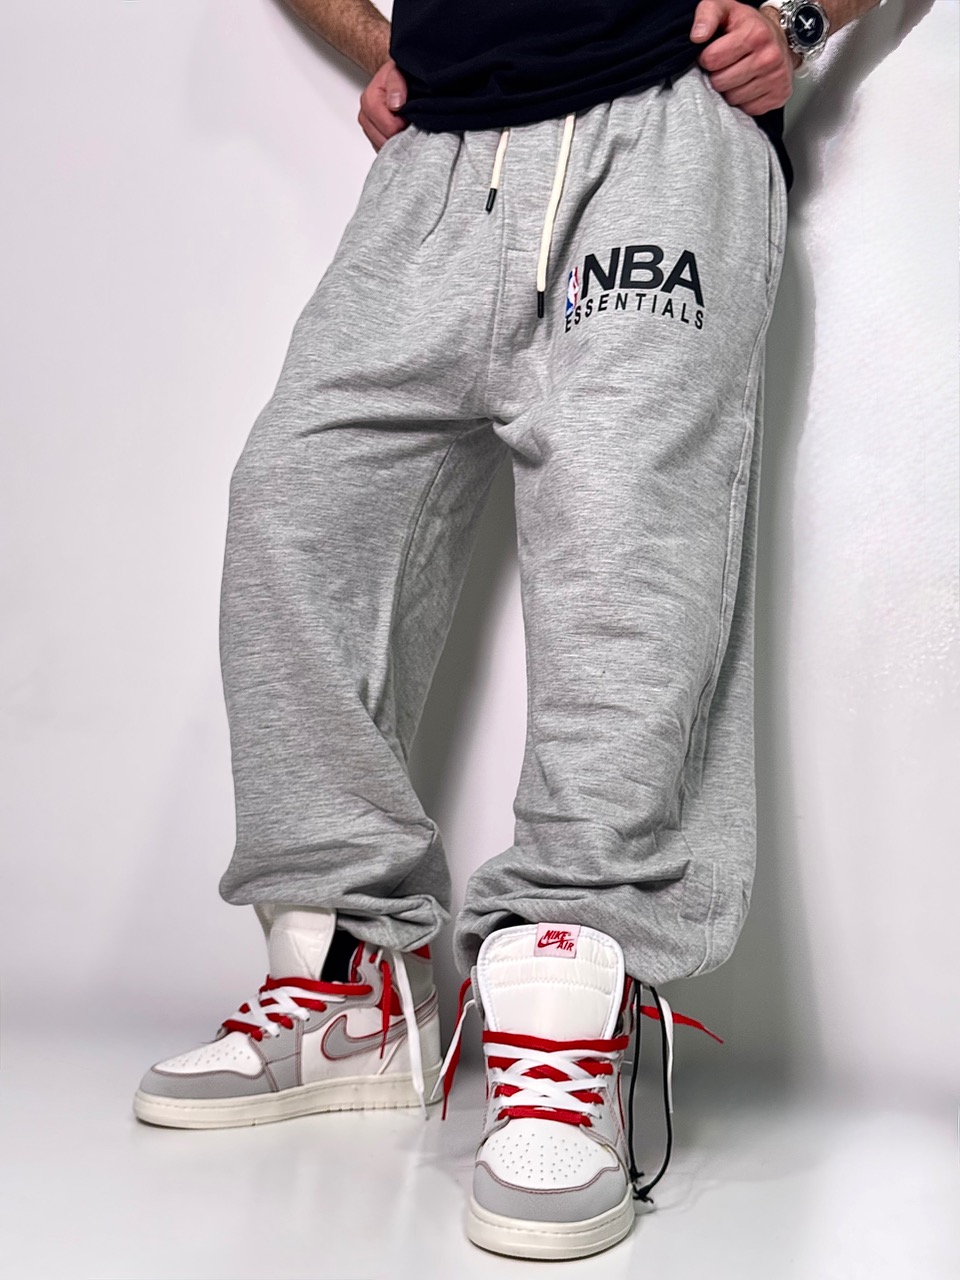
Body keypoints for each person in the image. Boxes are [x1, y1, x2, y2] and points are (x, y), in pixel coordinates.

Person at [133, 0, 880, 1260]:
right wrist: (387, 49)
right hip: (434, 158)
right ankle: (346, 982)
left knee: (624, 552)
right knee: (297, 505)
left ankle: (565, 1026)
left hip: (660, 124)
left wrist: (801, 18)